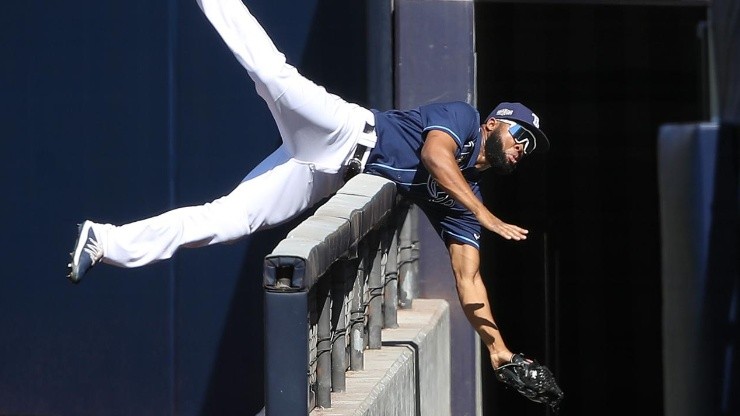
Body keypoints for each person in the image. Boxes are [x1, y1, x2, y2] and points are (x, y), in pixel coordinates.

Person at [68, 0, 562, 407]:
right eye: (522, 134)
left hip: (326, 174)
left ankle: (106, 241)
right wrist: (485, 215)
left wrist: (498, 348)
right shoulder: (463, 118)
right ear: (497, 122)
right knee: (271, 72)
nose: (523, 147)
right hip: (344, 131)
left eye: (530, 146)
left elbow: (467, 275)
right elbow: (435, 156)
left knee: (229, 219)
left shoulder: (465, 198)